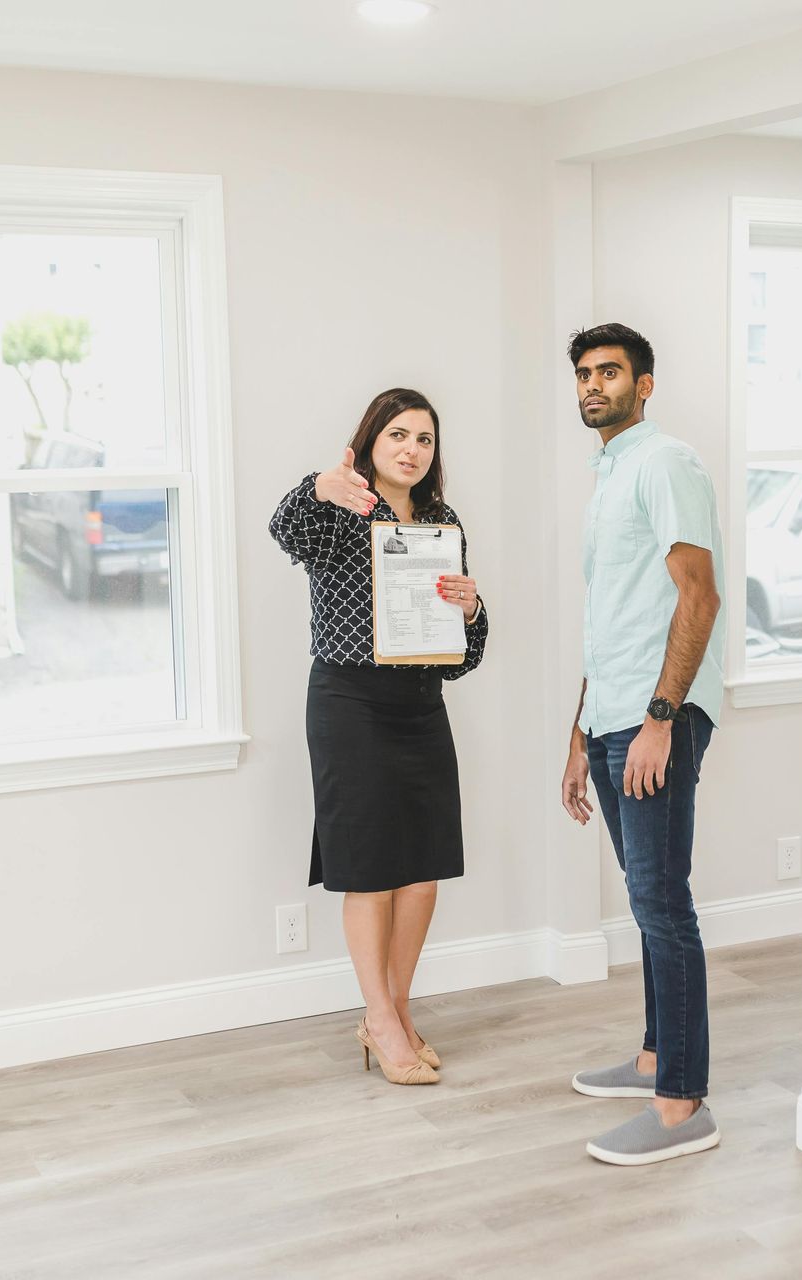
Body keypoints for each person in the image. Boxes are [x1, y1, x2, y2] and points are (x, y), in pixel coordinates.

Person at [269, 388, 488, 1087]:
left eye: (424, 439)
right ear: (370, 443)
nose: (411, 450)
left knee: (421, 873)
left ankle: (390, 1010)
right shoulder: (338, 509)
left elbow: (462, 655)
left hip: (421, 705)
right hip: (349, 705)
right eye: (398, 435)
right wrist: (316, 485)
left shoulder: (441, 521)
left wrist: (473, 610)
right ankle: (383, 1019)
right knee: (370, 869)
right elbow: (283, 530)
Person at [558, 324, 728, 1166]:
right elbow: (614, 618)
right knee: (646, 900)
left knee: (664, 903)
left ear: (645, 384)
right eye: (585, 374)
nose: (593, 385)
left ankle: (682, 1106)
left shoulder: (664, 464)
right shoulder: (612, 472)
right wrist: (578, 734)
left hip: (656, 716)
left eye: (610, 372)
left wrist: (663, 715)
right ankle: (659, 1057)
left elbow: (698, 596)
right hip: (615, 713)